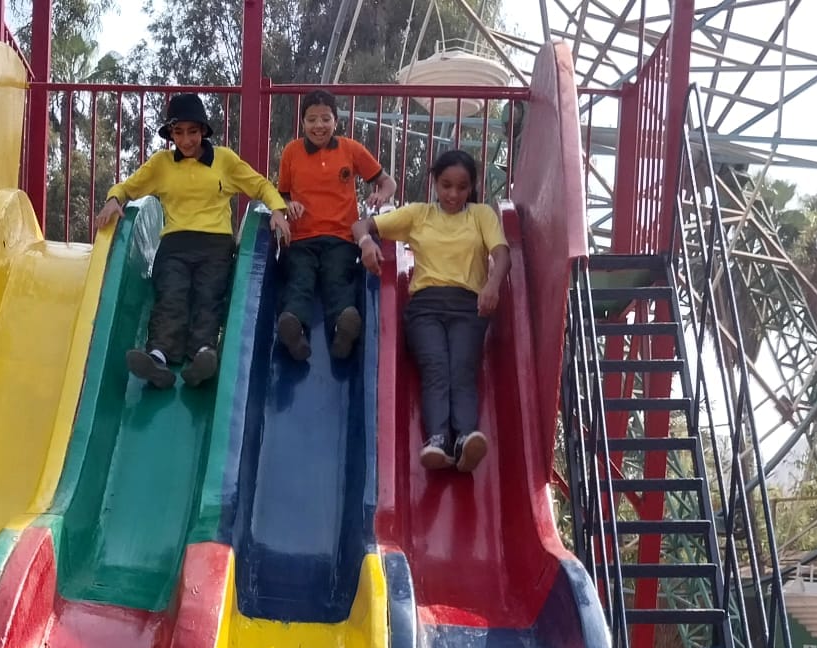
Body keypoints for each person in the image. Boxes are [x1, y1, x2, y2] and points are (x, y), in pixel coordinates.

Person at [96, 93, 290, 389]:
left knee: (207, 295)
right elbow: (129, 187)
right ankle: (159, 357)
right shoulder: (161, 164)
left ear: (203, 131)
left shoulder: (224, 160)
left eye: (192, 132)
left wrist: (277, 209)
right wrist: (114, 198)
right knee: (170, 294)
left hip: (215, 245)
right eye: (178, 132)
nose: (186, 140)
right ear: (171, 134)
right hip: (175, 244)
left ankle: (203, 354)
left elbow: (259, 185)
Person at [353, 149, 510, 473]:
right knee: (436, 367)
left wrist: (493, 285)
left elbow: (502, 254)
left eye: (462, 187)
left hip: (469, 306)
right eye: (446, 185)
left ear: (471, 187)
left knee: (462, 368)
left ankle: (464, 438)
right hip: (425, 308)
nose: (453, 194)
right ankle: (438, 439)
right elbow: (361, 225)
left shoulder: (481, 215)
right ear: (435, 183)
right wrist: (366, 243)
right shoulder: (419, 214)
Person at [274, 90, 394, 362]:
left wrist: (381, 195)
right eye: (312, 119)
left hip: (341, 237)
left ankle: (343, 326)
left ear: (336, 121)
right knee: (299, 279)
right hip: (301, 238)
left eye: (326, 119)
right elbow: (282, 196)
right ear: (302, 122)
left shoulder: (350, 149)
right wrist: (288, 205)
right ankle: (293, 326)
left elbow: (388, 182)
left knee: (338, 278)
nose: (319, 126)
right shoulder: (292, 152)